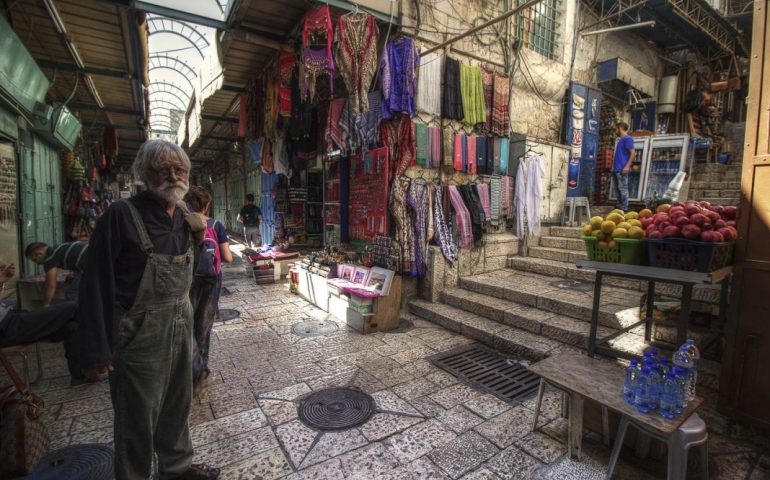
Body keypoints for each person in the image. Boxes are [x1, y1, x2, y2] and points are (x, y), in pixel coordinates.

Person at [77, 140, 220, 480]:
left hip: (179, 319)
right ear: (145, 174)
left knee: (177, 401)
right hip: (139, 330)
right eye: (163, 169)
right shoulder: (120, 215)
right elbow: (95, 282)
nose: (173, 175)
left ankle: (176, 467)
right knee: (137, 416)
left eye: (179, 169)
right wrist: (97, 347)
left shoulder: (185, 215)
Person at [0, 264, 87, 385]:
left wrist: (3, 280)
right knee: (72, 307)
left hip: (13, 319)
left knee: (71, 327)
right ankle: (100, 358)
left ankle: (80, 375)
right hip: (8, 327)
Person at [184, 186, 232, 391]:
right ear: (206, 205)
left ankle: (186, 372)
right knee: (203, 328)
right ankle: (200, 372)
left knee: (186, 326)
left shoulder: (181, 224)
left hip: (188, 280)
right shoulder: (216, 225)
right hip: (211, 281)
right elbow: (228, 257)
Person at [24, 241, 88, 306]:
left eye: (35, 260)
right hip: (94, 256)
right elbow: (77, 260)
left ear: (39, 253)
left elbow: (50, 286)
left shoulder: (50, 258)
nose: (38, 264)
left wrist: (45, 305)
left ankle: (76, 315)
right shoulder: (57, 248)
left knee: (71, 294)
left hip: (91, 263)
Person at [612, 122, 636, 211]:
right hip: (616, 169)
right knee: (618, 190)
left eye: (615, 129)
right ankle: (620, 207)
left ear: (621, 128)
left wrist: (627, 166)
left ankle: (624, 209)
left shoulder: (627, 139)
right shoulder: (620, 140)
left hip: (622, 168)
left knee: (623, 189)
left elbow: (632, 152)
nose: (615, 131)